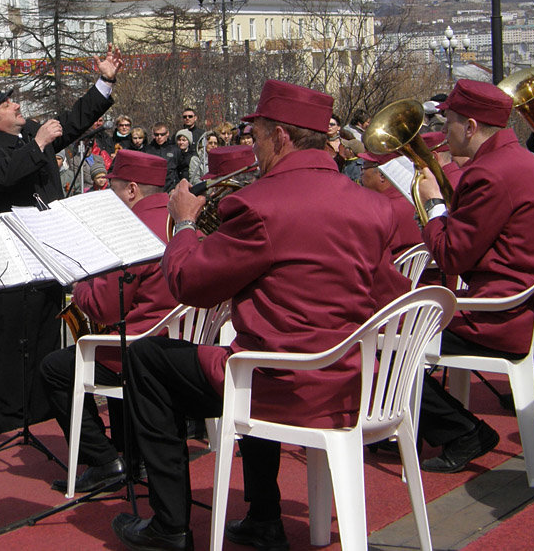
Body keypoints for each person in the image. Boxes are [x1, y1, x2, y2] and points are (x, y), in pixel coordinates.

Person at [112, 79, 409, 551]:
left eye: (258, 134)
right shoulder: (372, 205)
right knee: (256, 345)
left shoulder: (258, 204)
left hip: (286, 386)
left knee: (147, 358)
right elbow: (393, 293)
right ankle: (263, 517)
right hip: (352, 380)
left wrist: (186, 223)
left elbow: (190, 284)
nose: (252, 146)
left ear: (281, 136)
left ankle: (170, 526)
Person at [0, 44, 121, 433]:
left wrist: (104, 81)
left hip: (48, 254)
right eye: (5, 104)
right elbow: (0, 178)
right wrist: (37, 146)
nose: (15, 105)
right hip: (12, 259)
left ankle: (42, 411)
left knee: (46, 337)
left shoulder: (31, 135)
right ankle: (12, 418)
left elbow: (73, 121)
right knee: (14, 341)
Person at [415, 79, 534, 473]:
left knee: (386, 345)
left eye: (449, 123)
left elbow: (451, 257)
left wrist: (433, 206)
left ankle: (461, 432)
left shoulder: (490, 175)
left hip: (501, 318)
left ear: (471, 127)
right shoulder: (523, 163)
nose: (444, 133)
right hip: (529, 312)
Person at [40, 150, 178, 493]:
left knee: (54, 369)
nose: (109, 198)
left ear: (132, 190)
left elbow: (104, 308)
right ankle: (134, 452)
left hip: (136, 349)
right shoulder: (183, 222)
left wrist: (80, 282)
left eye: (113, 189)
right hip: (179, 341)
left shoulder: (131, 230)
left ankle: (103, 460)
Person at [359, 150, 423, 257]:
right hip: (422, 270)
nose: (361, 172)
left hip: (394, 270)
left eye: (365, 166)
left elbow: (369, 252)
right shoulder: (417, 200)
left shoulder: (381, 209)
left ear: (382, 176)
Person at [144, 123, 177, 190]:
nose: (159, 137)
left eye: (162, 134)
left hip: (170, 188)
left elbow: (181, 169)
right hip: (152, 188)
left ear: (167, 133)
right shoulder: (147, 150)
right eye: (156, 134)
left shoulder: (175, 149)